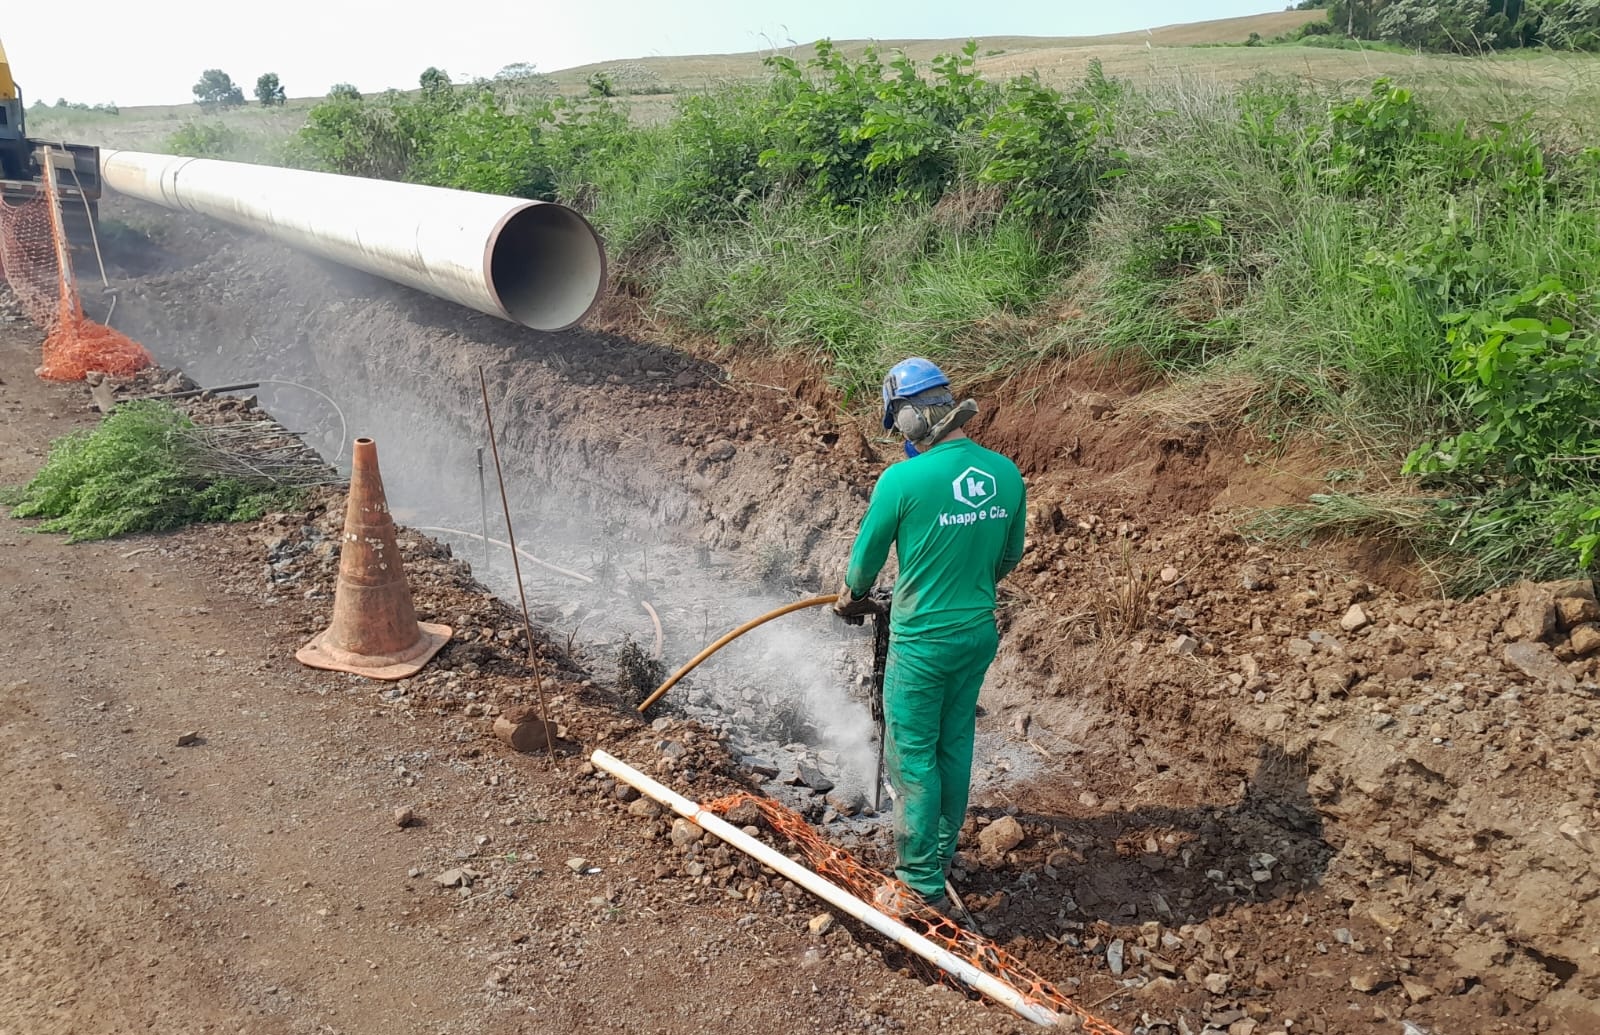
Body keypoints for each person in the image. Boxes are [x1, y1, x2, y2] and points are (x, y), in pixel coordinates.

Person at [832, 357, 1027, 918]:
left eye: (899, 425)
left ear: (914, 417)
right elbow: (1008, 555)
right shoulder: (1006, 473)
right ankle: (940, 855)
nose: (900, 440)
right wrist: (964, 579)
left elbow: (865, 562)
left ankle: (919, 888)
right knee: (954, 742)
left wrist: (851, 595)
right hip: (976, 634)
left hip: (921, 643)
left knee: (912, 754)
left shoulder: (902, 480)